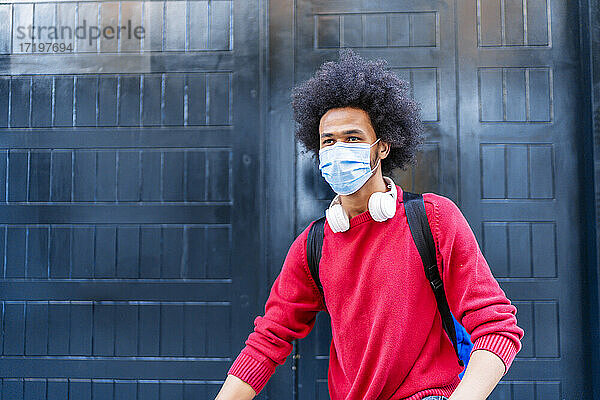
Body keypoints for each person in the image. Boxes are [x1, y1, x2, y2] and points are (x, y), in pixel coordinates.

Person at [215, 49, 524, 400]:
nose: (338, 149)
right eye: (328, 141)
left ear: (382, 147)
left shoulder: (434, 219)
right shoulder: (312, 245)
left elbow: (497, 327)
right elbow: (268, 339)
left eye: (353, 137)